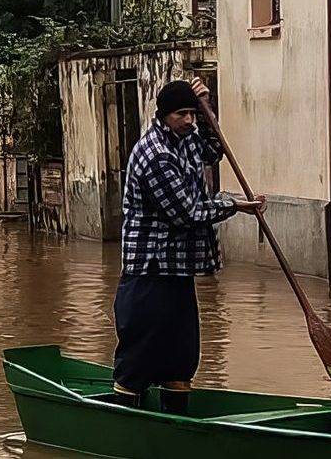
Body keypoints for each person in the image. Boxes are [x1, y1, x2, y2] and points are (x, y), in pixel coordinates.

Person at [112, 78, 266, 414]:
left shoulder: (188, 137)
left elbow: (215, 148)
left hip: (179, 268)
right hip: (149, 270)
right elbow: (186, 213)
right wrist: (236, 205)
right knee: (140, 356)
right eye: (182, 114)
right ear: (164, 115)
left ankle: (177, 422)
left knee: (182, 358)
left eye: (192, 114)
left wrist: (208, 106)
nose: (189, 120)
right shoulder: (155, 155)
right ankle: (124, 420)